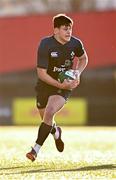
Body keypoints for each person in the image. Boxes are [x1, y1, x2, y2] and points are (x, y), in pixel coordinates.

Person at [26, 13, 88, 162]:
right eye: (65, 29)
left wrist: (77, 73)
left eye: (70, 29)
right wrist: (59, 83)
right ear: (55, 31)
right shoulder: (45, 44)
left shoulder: (76, 43)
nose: (69, 32)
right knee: (46, 119)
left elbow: (83, 58)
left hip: (64, 86)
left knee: (49, 112)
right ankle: (56, 132)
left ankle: (35, 150)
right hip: (45, 84)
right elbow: (41, 73)